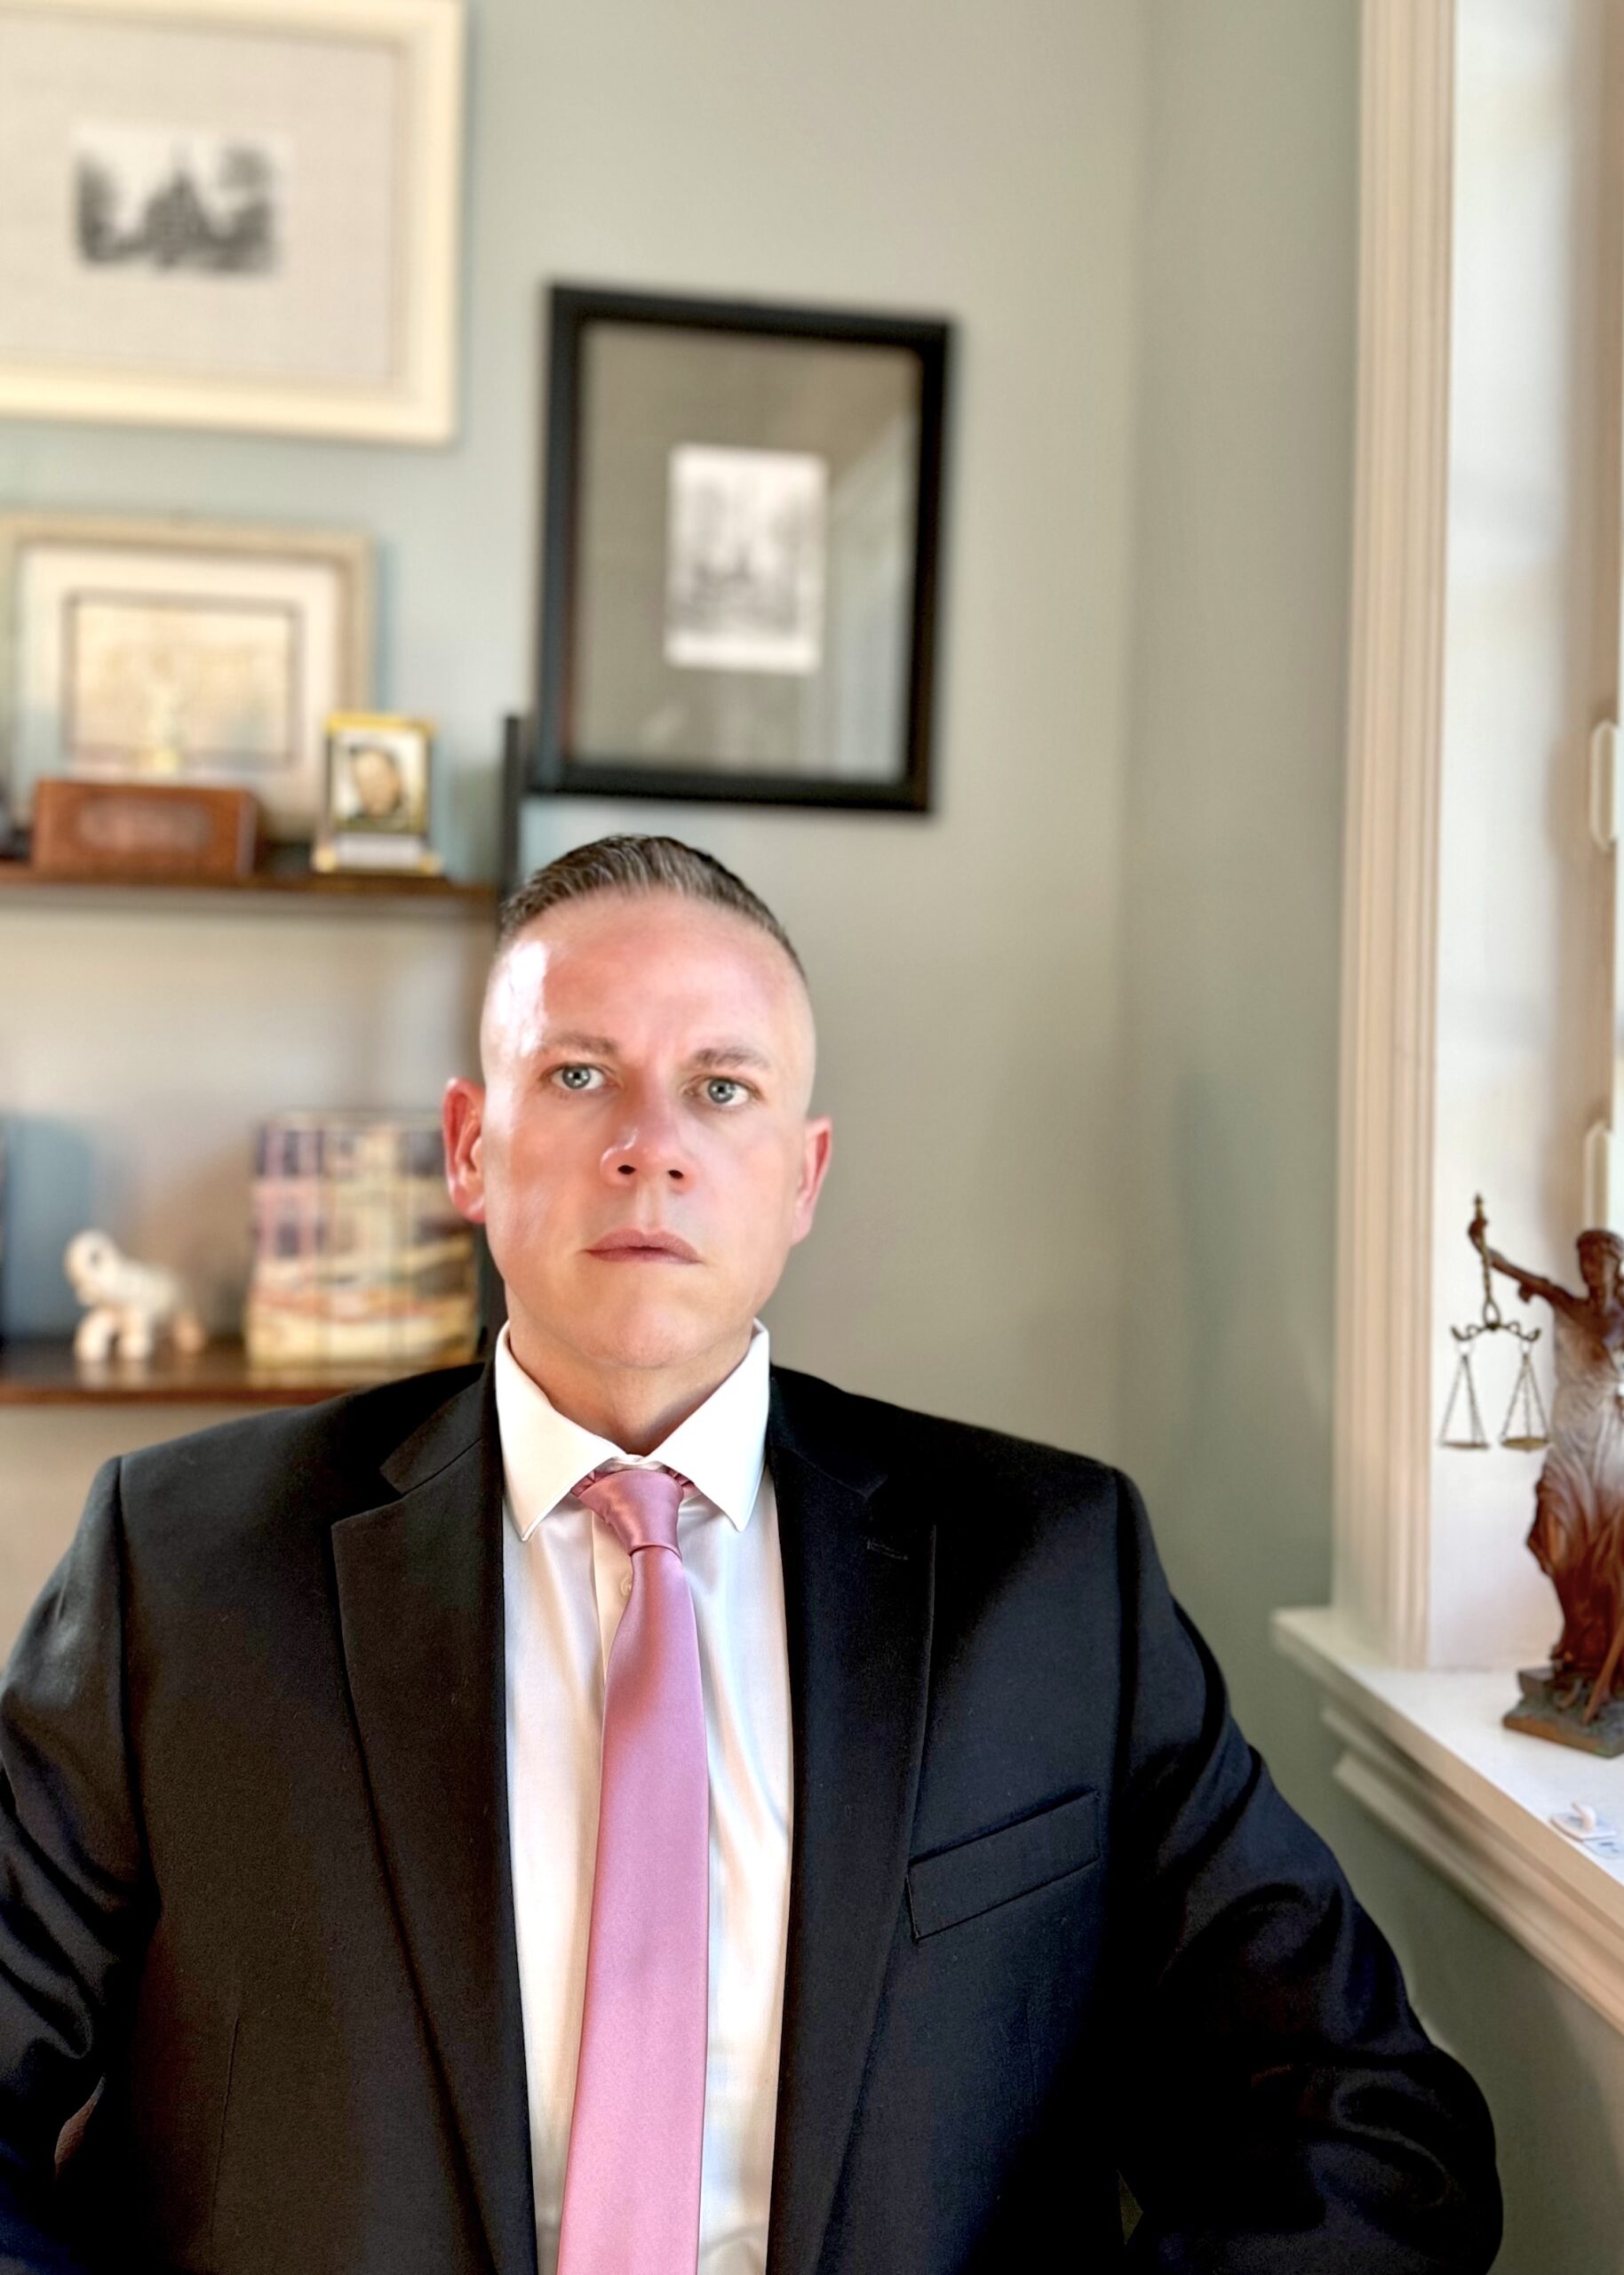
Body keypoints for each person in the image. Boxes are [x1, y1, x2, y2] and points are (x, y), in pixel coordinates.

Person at [0, 834, 1500, 2273]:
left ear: (803, 1177)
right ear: (470, 1148)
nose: (650, 1148)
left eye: (721, 1089)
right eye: (578, 1075)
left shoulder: (1050, 1579)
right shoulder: (183, 1570)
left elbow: (1372, 2127)